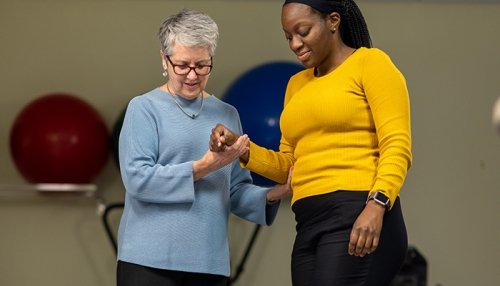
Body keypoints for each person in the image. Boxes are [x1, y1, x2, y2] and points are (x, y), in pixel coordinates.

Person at [210, 0, 412, 285]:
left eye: (302, 31)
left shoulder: (371, 63)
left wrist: (377, 205)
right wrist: (243, 151)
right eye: (288, 36)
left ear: (333, 21)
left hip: (358, 212)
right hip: (308, 222)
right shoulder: (296, 85)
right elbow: (290, 168)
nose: (295, 43)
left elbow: (397, 145)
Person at [116, 9, 291, 286]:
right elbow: (138, 179)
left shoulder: (227, 113)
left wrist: (275, 194)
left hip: (209, 263)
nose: (192, 75)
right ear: (165, 59)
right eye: (182, 65)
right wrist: (203, 167)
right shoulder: (144, 108)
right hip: (148, 261)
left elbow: (233, 190)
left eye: (202, 65)